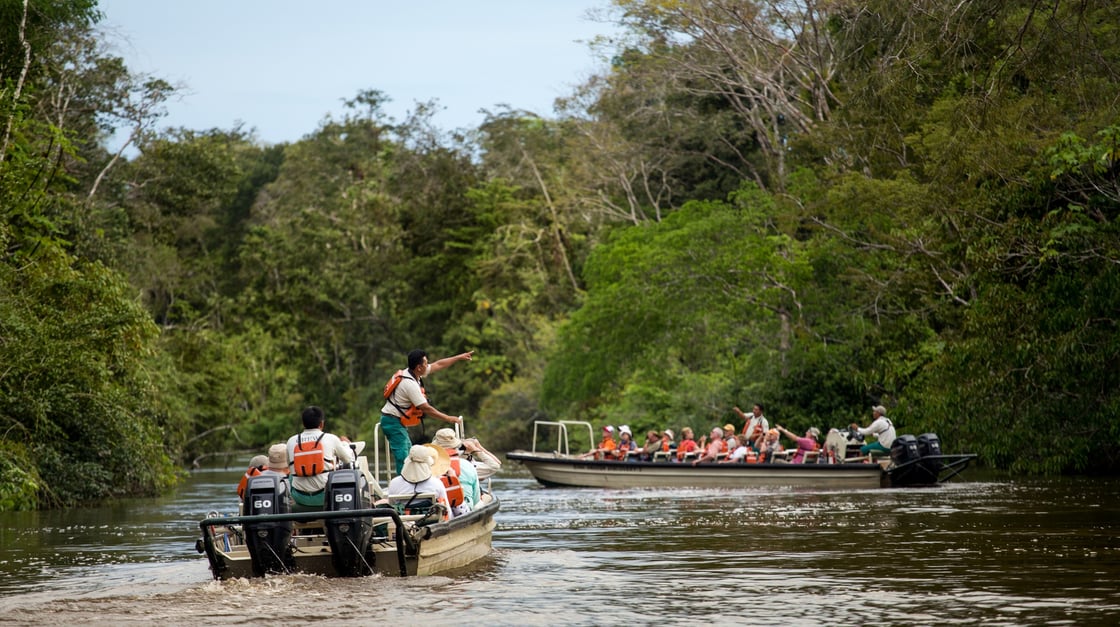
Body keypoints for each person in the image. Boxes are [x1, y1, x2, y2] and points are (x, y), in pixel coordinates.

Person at [380, 349, 472, 474]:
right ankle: (404, 486)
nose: (428, 365)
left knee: (408, 452)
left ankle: (409, 481)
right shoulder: (409, 384)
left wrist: (459, 357)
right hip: (391, 421)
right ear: (418, 367)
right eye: (425, 363)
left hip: (396, 421)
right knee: (403, 456)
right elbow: (426, 408)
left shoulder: (413, 372)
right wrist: (448, 418)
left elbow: (438, 365)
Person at [286, 406, 355, 511]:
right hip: (324, 497)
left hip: (299, 497)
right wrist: (346, 445)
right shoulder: (331, 438)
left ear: (303, 424)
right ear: (321, 423)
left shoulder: (291, 441)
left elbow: (289, 467)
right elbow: (349, 459)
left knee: (292, 473)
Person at [387, 444, 452, 518]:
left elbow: (391, 506)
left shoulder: (394, 483)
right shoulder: (436, 483)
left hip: (403, 523)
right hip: (430, 522)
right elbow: (447, 511)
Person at [431, 428, 480, 513]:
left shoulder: (430, 467)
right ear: (455, 447)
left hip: (438, 510)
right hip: (464, 509)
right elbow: (476, 500)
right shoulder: (468, 465)